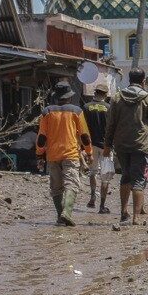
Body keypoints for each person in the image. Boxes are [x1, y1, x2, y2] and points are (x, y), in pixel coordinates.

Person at [104, 68, 148, 225]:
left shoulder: (117, 97)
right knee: (138, 179)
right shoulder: (147, 98)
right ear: (143, 81)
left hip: (121, 144)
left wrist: (107, 144)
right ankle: (136, 218)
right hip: (140, 144)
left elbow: (111, 123)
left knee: (125, 176)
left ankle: (123, 213)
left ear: (129, 80)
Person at [35, 81, 92, 226]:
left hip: (52, 155)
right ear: (69, 97)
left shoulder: (46, 112)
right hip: (71, 154)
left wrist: (40, 155)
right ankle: (66, 213)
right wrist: (89, 152)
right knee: (71, 184)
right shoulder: (76, 111)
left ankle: (60, 217)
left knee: (56, 187)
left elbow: (41, 137)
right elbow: (85, 135)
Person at [82, 84, 112, 213]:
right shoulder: (109, 108)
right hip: (106, 146)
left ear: (95, 93)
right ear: (105, 94)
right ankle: (102, 205)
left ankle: (93, 196)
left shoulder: (86, 107)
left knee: (93, 172)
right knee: (105, 176)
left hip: (90, 145)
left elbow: (82, 127)